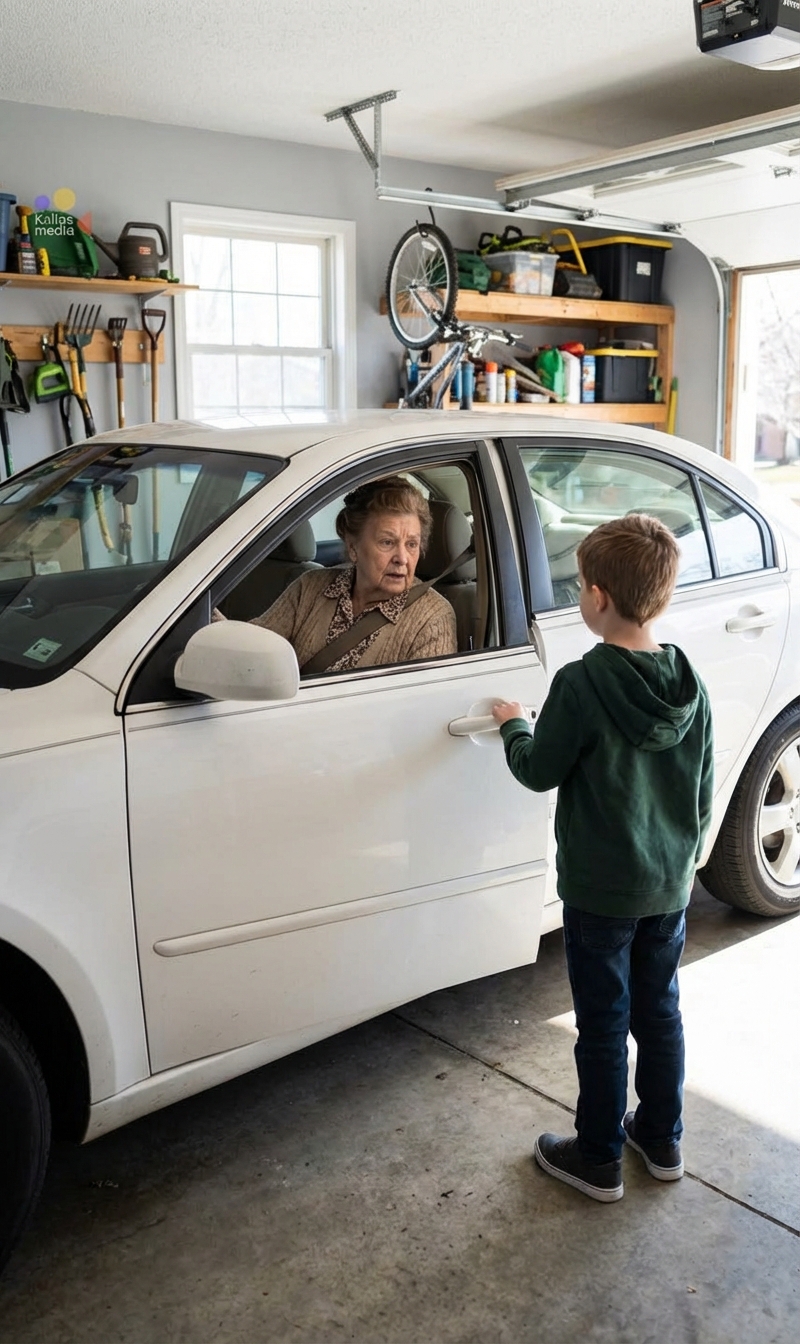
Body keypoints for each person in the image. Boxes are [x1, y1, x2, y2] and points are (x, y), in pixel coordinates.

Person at [491, 513, 713, 1203]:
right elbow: (704, 789)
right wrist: (680, 860)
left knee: (604, 1025)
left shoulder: (583, 683)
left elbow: (538, 769)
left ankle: (596, 1156)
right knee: (661, 1013)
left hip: (600, 891)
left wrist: (512, 725)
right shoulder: (689, 683)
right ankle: (662, 1136)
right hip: (667, 886)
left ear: (596, 598)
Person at [251, 476, 457, 673]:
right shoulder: (310, 587)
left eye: (411, 544)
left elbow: (424, 705)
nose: (402, 558)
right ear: (353, 547)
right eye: (387, 542)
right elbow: (252, 648)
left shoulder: (432, 617)